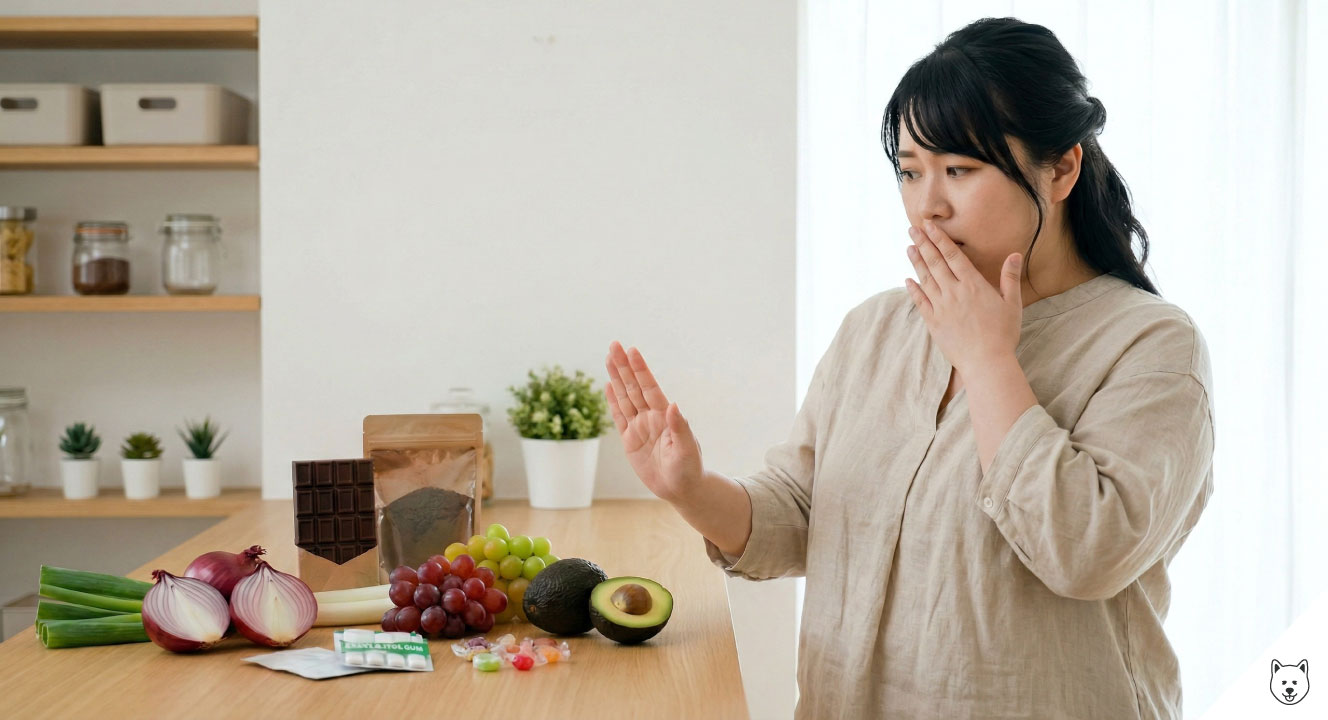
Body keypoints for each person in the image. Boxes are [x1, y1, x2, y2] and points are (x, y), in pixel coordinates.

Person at [604, 16, 1214, 720]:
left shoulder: (1153, 347)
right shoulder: (875, 329)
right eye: (910, 171)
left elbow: (1084, 554)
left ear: (1063, 167)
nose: (928, 204)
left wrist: (986, 358)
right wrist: (690, 489)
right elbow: (802, 514)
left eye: (960, 169)